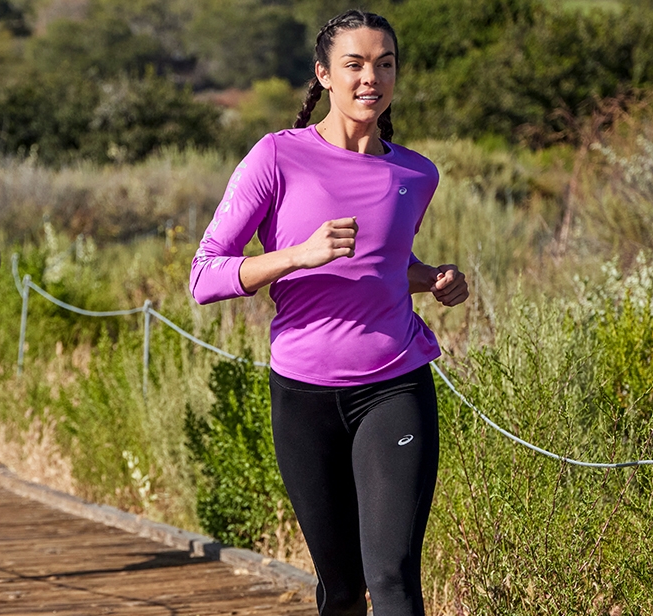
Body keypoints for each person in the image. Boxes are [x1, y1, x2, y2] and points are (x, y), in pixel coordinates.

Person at [189, 10, 468, 616]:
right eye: (356, 64)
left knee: (392, 578)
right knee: (340, 591)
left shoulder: (416, 173)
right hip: (304, 396)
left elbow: (385, 265)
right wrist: (297, 255)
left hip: (394, 384)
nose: (372, 77)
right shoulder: (276, 158)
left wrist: (436, 279)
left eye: (385, 64)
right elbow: (203, 274)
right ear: (324, 74)